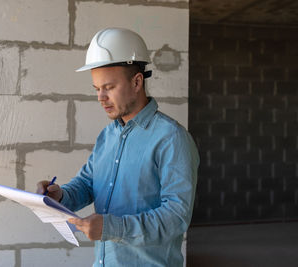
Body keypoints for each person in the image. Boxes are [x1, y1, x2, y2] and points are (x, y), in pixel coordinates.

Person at [37, 27, 199, 267]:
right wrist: (60, 195)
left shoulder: (172, 139)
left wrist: (113, 228)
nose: (101, 97)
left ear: (136, 82)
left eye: (109, 88)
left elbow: (175, 217)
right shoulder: (108, 135)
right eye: (97, 89)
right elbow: (89, 184)